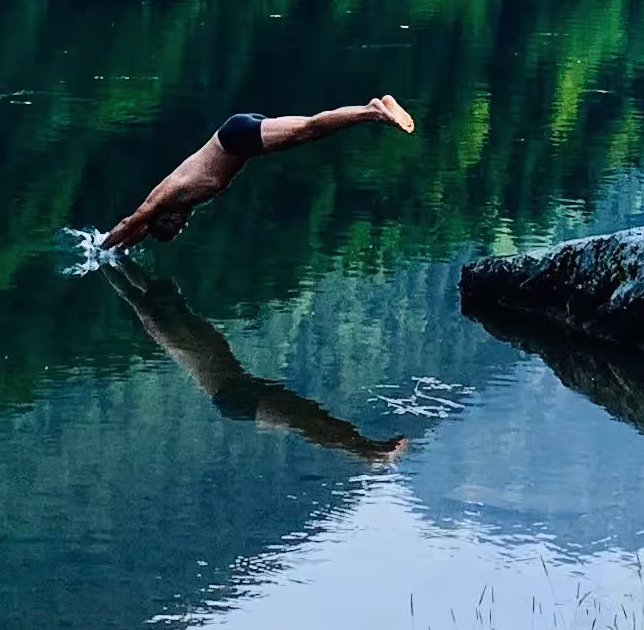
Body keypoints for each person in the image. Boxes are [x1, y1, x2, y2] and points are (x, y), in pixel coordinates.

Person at [104, 259, 408, 464]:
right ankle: (367, 451)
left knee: (311, 416)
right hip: (233, 396)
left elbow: (141, 280)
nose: (177, 288)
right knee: (306, 420)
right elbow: (131, 293)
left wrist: (114, 253)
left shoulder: (175, 311)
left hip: (238, 390)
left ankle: (366, 448)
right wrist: (104, 260)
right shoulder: (161, 323)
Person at [96, 94, 414, 253]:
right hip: (241, 138)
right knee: (309, 129)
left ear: (166, 218)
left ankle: (373, 110)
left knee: (309, 129)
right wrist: (121, 250)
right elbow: (137, 232)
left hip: (235, 139)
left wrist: (99, 250)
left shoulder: (162, 199)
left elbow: (133, 221)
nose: (184, 223)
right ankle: (371, 112)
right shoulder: (172, 205)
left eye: (177, 227)